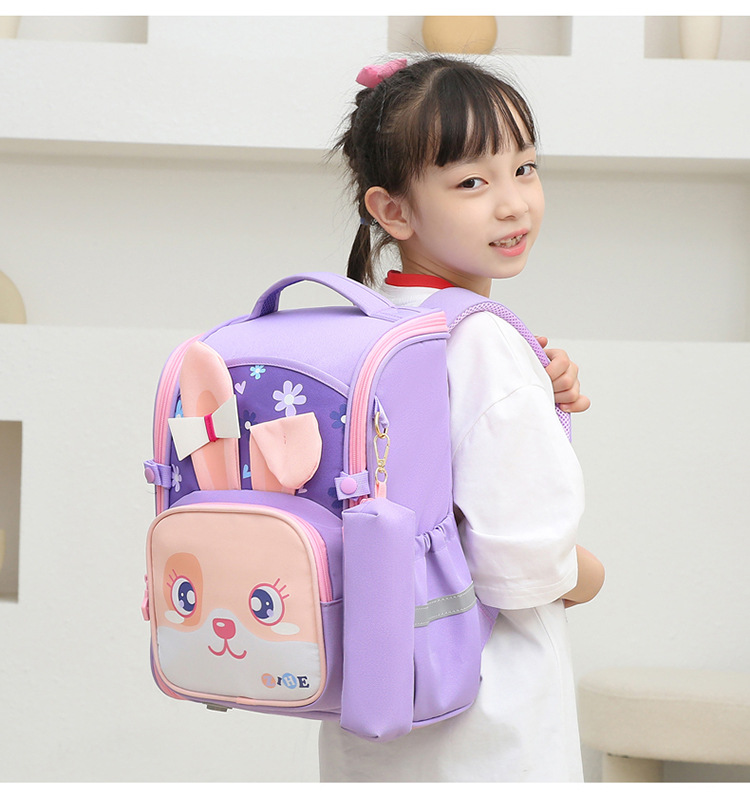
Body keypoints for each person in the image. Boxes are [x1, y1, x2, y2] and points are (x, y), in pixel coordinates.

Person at [317, 55, 605, 782]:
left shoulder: (363, 325)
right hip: (488, 720)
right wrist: (588, 573)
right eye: (472, 182)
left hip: (375, 701)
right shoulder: (483, 342)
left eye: (525, 169)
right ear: (393, 211)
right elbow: (522, 563)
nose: (513, 204)